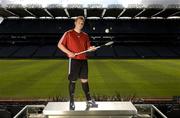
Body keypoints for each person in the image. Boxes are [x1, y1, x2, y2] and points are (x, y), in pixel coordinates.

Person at [57, 16, 97, 110]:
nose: (81, 24)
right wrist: (69, 52)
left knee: (85, 80)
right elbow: (59, 45)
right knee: (73, 81)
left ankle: (89, 101)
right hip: (74, 60)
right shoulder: (68, 33)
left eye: (82, 23)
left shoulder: (85, 35)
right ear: (75, 22)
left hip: (83, 60)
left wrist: (91, 48)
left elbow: (87, 48)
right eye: (79, 22)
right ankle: (71, 102)